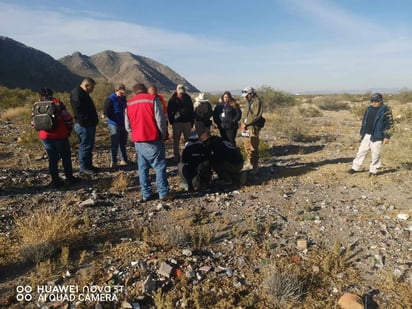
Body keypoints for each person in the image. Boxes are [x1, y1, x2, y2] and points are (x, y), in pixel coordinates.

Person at [125, 83, 173, 202]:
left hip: (138, 141)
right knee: (159, 166)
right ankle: (163, 193)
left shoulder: (129, 103)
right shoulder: (152, 99)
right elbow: (160, 120)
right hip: (152, 139)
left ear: (134, 91)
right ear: (145, 90)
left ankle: (146, 194)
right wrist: (162, 136)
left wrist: (134, 134)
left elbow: (127, 125)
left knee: (142, 168)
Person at [33, 88, 80, 188]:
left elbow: (33, 122)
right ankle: (70, 178)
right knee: (66, 157)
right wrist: (68, 130)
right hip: (60, 135)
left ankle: (55, 180)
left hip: (45, 136)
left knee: (52, 158)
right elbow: (68, 118)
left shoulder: (37, 105)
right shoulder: (57, 103)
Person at [349, 93, 394, 176]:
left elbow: (390, 124)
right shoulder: (369, 108)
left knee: (376, 154)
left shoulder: (386, 110)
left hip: (378, 135)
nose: (374, 103)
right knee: (361, 152)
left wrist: (387, 136)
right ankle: (355, 167)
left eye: (376, 101)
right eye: (372, 101)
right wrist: (362, 132)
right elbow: (364, 121)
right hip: (367, 134)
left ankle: (373, 171)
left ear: (381, 100)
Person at [70, 77, 99, 174]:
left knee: (89, 146)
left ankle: (88, 165)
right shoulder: (77, 94)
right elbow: (78, 111)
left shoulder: (83, 93)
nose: (93, 90)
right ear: (87, 86)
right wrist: (86, 122)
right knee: (85, 146)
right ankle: (83, 167)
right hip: (84, 125)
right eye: (92, 88)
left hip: (88, 124)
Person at [103, 83, 131, 168]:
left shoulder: (123, 100)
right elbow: (106, 111)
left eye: (123, 93)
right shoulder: (110, 99)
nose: (122, 95)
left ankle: (124, 159)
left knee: (123, 142)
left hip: (123, 124)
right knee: (114, 143)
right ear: (116, 91)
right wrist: (114, 118)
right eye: (120, 93)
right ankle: (114, 161)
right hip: (114, 124)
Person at [167, 84, 194, 163]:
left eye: (182, 92)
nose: (181, 94)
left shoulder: (188, 98)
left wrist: (191, 121)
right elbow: (169, 111)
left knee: (188, 141)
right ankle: (176, 156)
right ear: (177, 91)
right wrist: (172, 120)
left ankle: (188, 156)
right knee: (176, 141)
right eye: (180, 92)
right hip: (177, 123)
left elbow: (192, 110)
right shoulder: (172, 99)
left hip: (187, 123)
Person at [240, 86, 263, 175]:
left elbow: (256, 116)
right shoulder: (248, 102)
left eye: (247, 95)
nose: (245, 97)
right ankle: (249, 162)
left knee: (254, 147)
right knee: (247, 147)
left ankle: (255, 166)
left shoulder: (257, 102)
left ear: (251, 94)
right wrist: (242, 123)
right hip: (246, 128)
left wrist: (246, 123)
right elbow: (244, 114)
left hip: (253, 128)